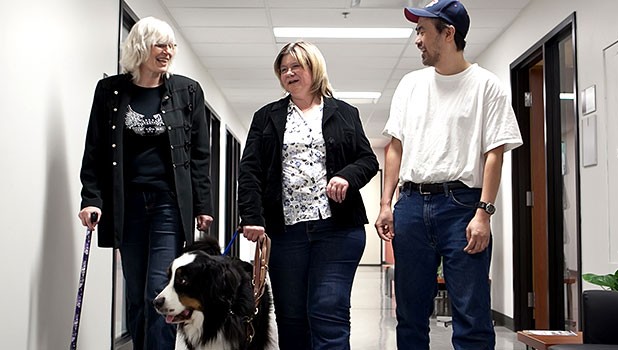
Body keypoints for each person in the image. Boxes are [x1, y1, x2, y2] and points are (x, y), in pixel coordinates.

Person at [375, 1, 523, 349]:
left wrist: (483, 213)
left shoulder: (487, 86)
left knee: (471, 314)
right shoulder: (411, 85)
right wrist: (386, 203)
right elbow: (395, 147)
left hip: (462, 207)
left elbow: (494, 154)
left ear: (448, 33)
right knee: (409, 313)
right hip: (410, 205)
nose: (417, 39)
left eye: (422, 30)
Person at [77, 16, 213, 350]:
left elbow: (199, 154)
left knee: (159, 289)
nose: (167, 52)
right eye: (160, 45)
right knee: (136, 293)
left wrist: (202, 205)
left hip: (168, 203)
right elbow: (95, 149)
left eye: (171, 45)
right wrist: (90, 198)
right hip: (127, 205)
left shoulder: (187, 91)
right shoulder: (110, 92)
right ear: (141, 46)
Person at [237, 40, 379, 350]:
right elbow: (250, 170)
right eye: (283, 69)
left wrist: (346, 176)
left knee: (329, 309)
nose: (289, 73)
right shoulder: (267, 117)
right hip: (286, 231)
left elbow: (368, 161)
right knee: (291, 316)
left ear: (314, 68)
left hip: (337, 229)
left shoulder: (344, 112)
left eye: (296, 66)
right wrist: (251, 216)